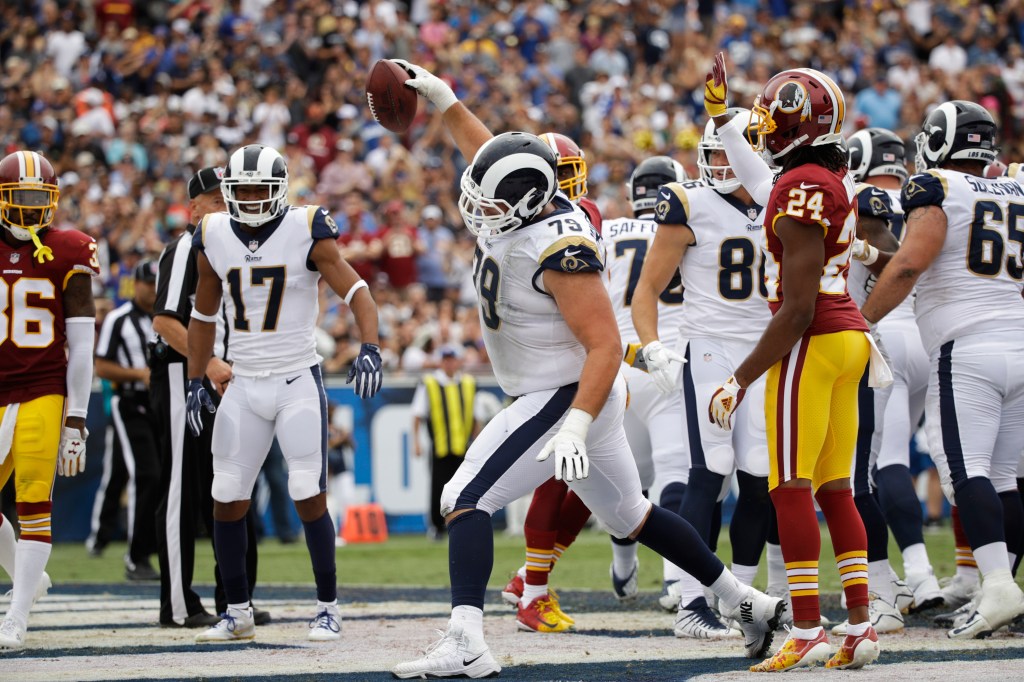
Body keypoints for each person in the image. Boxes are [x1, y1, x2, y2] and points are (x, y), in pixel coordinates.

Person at [390, 59, 782, 680]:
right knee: (632, 514)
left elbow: (604, 346)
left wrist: (574, 425)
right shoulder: (523, 201)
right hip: (574, 391)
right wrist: (445, 99)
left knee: (464, 497)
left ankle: (465, 639)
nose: (477, 207)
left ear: (524, 204)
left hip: (566, 391)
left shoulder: (560, 247)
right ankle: (749, 603)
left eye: (489, 202)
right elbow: (487, 152)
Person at [703, 54, 885, 671]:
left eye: (770, 118)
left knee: (788, 488)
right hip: (848, 338)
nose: (764, 129)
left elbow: (798, 307)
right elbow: (767, 186)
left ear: (795, 124)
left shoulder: (801, 186)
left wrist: (738, 377)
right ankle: (860, 626)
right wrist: (723, 120)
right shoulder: (825, 178)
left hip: (814, 339)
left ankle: (807, 628)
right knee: (837, 490)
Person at [186, 143, 383, 643]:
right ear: (227, 192)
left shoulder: (306, 227)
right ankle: (237, 611)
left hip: (296, 377)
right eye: (242, 189)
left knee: (305, 490)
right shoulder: (211, 234)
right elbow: (204, 314)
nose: (251, 198)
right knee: (226, 494)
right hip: (244, 380)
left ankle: (328, 606)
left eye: (259, 189)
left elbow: (357, 289)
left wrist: (371, 345)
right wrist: (195, 379)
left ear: (279, 190)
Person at [860, 101, 1024, 639]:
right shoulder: (1017, 191)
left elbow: (910, 262)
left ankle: (997, 587)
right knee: (1003, 477)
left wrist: (860, 321)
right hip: (1017, 340)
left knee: (963, 471)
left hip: (967, 347)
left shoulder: (937, 186)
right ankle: (999, 589)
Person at [634, 116, 777, 639]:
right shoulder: (688, 202)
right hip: (711, 349)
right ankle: (692, 602)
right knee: (711, 469)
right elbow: (647, 288)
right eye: (712, 153)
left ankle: (745, 597)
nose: (718, 164)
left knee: (760, 477)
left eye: (729, 154)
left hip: (766, 350)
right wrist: (653, 345)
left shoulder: (780, 197)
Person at [498, 132, 605, 633]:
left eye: (567, 172)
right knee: (556, 476)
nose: (563, 185)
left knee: (598, 489)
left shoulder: (588, 215)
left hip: (595, 356)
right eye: (553, 174)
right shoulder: (531, 226)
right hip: (556, 366)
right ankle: (533, 586)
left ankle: (529, 577)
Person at [150, 166, 264, 629]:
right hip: (185, 375)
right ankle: (178, 605)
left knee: (235, 488)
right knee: (181, 488)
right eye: (215, 201)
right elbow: (165, 320)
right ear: (193, 208)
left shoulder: (239, 248)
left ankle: (236, 601)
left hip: (229, 379)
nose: (224, 207)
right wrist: (212, 362)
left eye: (229, 198)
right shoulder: (186, 247)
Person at [840, 128, 940, 634]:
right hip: (925, 329)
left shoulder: (860, 200)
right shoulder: (927, 193)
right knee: (903, 461)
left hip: (877, 330)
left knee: (871, 470)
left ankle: (910, 578)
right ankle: (926, 575)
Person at [0, 150, 98, 649]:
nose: (32, 209)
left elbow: (81, 340)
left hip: (42, 387)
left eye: (41, 198)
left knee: (33, 501)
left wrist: (76, 416)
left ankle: (16, 615)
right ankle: (28, 574)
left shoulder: (69, 248)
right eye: (22, 199)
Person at [90, 258, 161, 582]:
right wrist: (139, 374)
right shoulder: (119, 319)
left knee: (135, 471)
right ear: (136, 284)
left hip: (159, 405)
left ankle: (141, 542)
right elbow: (102, 367)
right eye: (147, 282)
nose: (152, 288)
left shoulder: (166, 319)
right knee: (144, 474)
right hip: (128, 402)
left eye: (156, 282)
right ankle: (135, 555)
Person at [412, 345, 485, 540]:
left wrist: (477, 441)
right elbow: (418, 414)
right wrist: (416, 442)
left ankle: (461, 524)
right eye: (446, 359)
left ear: (458, 361)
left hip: (463, 445)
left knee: (464, 488)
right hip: (440, 446)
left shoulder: (469, 383)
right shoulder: (429, 383)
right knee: (438, 487)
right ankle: (436, 527)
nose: (449, 363)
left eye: (452, 359)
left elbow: (475, 416)